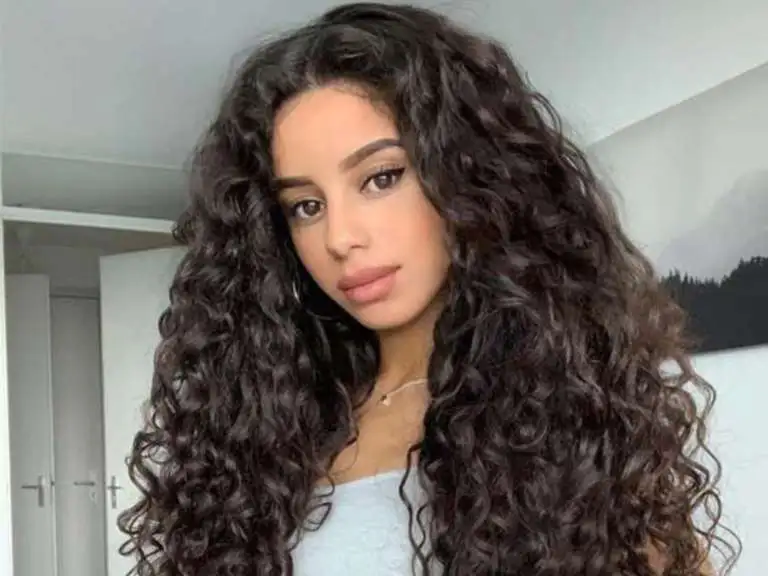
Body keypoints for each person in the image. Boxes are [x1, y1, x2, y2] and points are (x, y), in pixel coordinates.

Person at [119, 3, 739, 575]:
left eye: (381, 177)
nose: (340, 237)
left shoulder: (573, 419)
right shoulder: (264, 429)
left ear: (469, 177)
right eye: (306, 206)